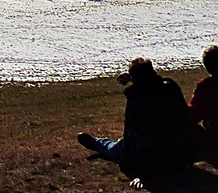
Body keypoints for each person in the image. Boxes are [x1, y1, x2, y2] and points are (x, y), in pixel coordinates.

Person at [78, 57, 201, 185]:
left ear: (135, 78)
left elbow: (134, 134)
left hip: (153, 154)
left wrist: (139, 170)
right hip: (178, 151)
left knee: (115, 148)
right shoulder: (171, 88)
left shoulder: (136, 98)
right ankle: (101, 143)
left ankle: (98, 144)